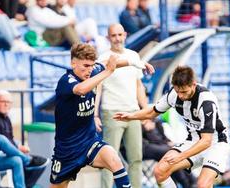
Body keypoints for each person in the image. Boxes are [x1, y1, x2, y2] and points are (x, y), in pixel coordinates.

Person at [50, 43, 154, 188]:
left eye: (91, 66)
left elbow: (107, 64)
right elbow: (81, 89)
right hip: (67, 150)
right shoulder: (66, 81)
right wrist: (108, 72)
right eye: (85, 65)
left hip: (89, 141)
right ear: (73, 63)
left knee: (113, 158)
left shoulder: (93, 71)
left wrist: (134, 62)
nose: (89, 70)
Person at [114, 65, 229, 188]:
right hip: (193, 141)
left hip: (215, 144)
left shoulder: (206, 101)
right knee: (160, 171)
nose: (180, 96)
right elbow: (152, 112)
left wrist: (181, 156)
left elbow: (206, 141)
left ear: (193, 85)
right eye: (178, 91)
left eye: (184, 92)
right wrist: (131, 116)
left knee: (202, 185)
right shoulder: (174, 94)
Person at [94, 23, 151, 188]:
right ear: (108, 38)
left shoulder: (134, 56)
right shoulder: (103, 58)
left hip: (133, 113)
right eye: (113, 35)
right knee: (108, 160)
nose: (117, 39)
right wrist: (95, 115)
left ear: (125, 35)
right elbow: (98, 87)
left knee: (136, 158)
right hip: (111, 113)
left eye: (120, 35)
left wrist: (146, 111)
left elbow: (139, 86)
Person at [0, 90, 47, 188]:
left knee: (16, 160)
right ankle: (28, 161)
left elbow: (10, 140)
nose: (6, 104)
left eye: (9, 102)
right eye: (3, 101)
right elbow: (2, 141)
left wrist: (18, 147)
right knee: (0, 138)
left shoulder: (6, 119)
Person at [142, 119, 196, 188]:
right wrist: (149, 130)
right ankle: (186, 183)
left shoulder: (156, 121)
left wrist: (170, 143)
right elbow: (151, 141)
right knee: (169, 155)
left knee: (176, 151)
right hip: (146, 149)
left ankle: (191, 180)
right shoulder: (140, 125)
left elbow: (163, 138)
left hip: (161, 146)